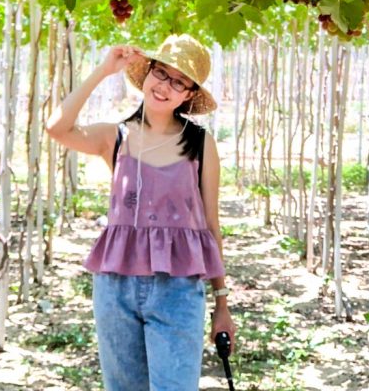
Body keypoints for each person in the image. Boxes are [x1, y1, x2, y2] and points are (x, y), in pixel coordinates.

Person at [45, 34, 236, 391]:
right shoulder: (114, 137)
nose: (165, 86)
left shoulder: (200, 143)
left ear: (189, 95)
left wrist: (222, 302)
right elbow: (57, 127)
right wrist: (103, 71)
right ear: (147, 73)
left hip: (178, 289)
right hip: (116, 286)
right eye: (160, 73)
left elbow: (212, 223)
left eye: (178, 82)